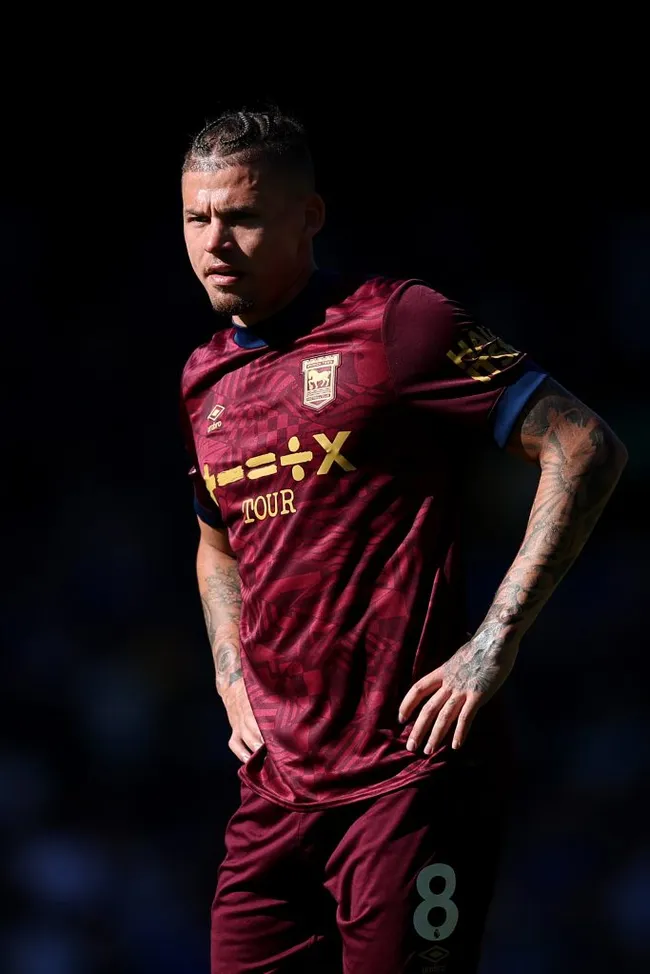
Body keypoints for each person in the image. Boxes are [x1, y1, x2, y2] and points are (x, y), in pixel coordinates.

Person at [179, 107, 627, 974]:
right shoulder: (205, 378)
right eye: (197, 218)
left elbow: (583, 445)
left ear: (309, 216)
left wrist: (492, 644)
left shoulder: (398, 323)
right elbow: (216, 544)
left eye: (243, 216)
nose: (215, 243)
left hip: (411, 781)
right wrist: (231, 675)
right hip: (275, 793)